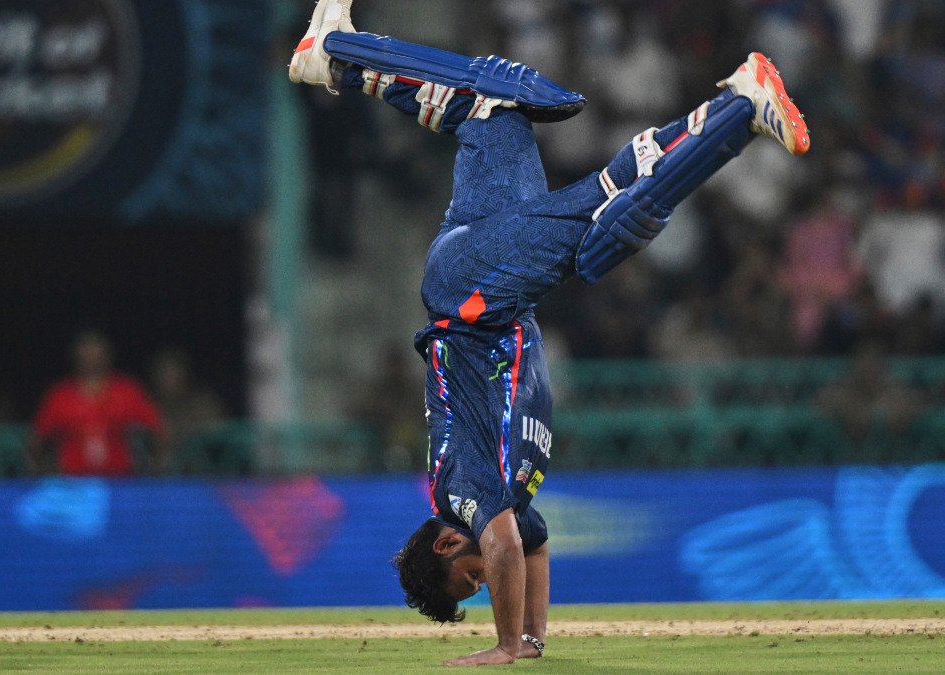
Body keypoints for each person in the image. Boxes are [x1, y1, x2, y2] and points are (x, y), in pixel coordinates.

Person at [288, 0, 809, 666]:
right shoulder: (502, 502)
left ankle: (740, 106)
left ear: (447, 542)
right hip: (485, 286)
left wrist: (505, 647)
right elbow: (532, 546)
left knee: (609, 217)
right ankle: (334, 58)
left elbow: (506, 546)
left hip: (470, 296)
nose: (488, 580)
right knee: (495, 110)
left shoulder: (459, 488)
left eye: (471, 578)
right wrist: (533, 640)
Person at [31, 330, 167, 476]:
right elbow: (37, 440)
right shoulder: (59, 394)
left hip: (121, 478)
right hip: (72, 480)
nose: (91, 355)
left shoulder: (127, 390)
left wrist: (154, 471)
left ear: (107, 352)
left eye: (95, 348)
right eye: (85, 348)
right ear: (75, 354)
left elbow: (159, 430)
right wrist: (41, 477)